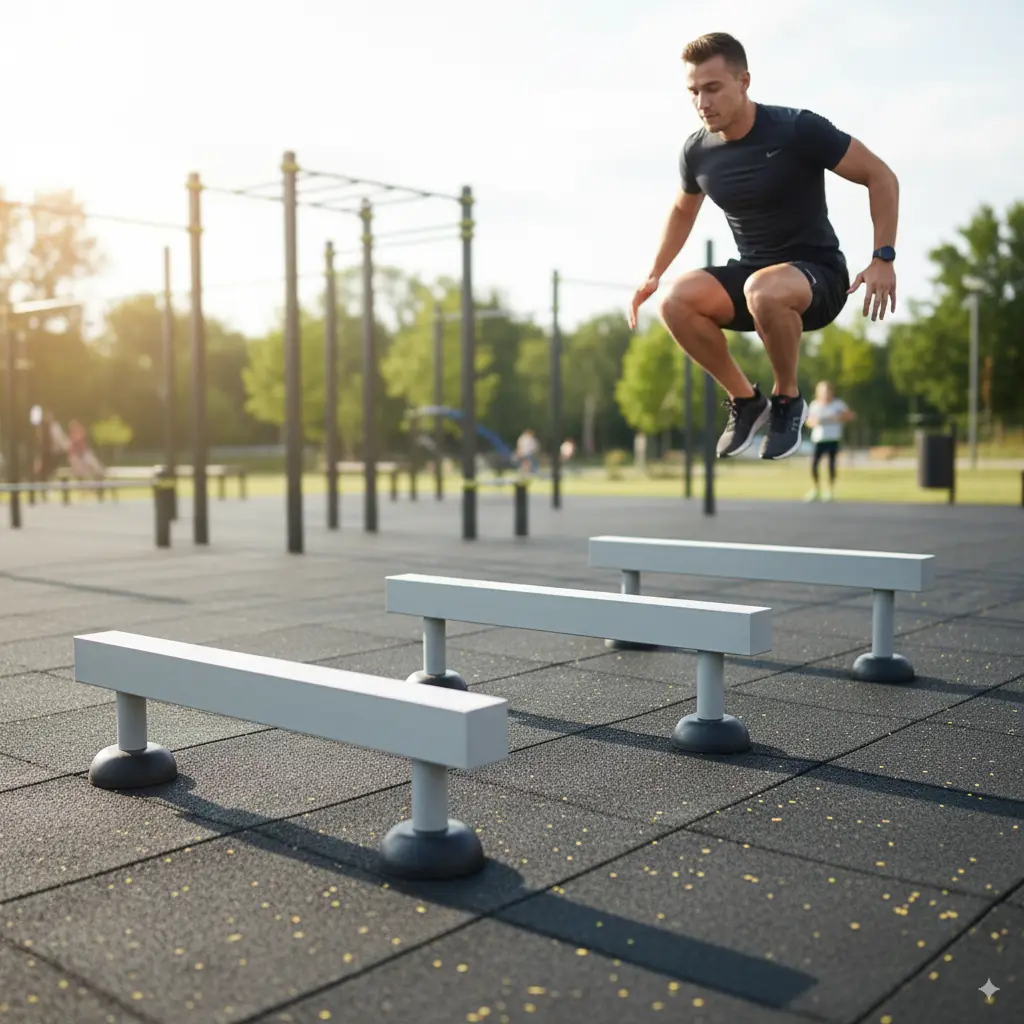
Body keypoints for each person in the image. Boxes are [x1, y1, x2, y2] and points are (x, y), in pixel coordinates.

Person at [628, 32, 899, 461]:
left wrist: (883, 256)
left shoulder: (797, 128)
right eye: (693, 91)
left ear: (744, 82)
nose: (702, 102)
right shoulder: (698, 151)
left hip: (818, 278)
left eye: (713, 88)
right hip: (753, 276)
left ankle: (787, 400)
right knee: (674, 302)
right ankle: (747, 401)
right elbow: (683, 212)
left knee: (762, 288)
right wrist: (654, 272)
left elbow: (880, 176)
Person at [805, 381, 855, 502]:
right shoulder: (815, 405)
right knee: (814, 465)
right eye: (822, 392)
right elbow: (808, 421)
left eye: (827, 391)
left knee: (831, 465)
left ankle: (830, 490)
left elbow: (850, 416)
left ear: (831, 392)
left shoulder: (838, 404)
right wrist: (814, 422)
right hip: (818, 439)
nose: (825, 394)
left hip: (833, 439)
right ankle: (816, 489)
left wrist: (837, 418)